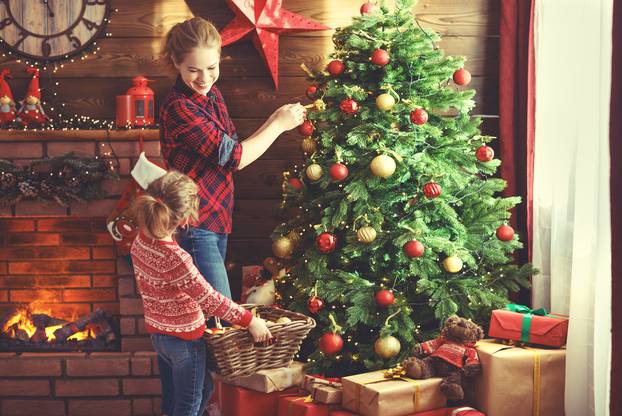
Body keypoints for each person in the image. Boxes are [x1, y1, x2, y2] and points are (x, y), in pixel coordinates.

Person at [159, 17, 305, 307]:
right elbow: (236, 158)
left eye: (212, 68)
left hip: (217, 221)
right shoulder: (179, 108)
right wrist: (277, 124)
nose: (204, 78)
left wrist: (275, 120)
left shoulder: (212, 95)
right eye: (193, 70)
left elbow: (234, 148)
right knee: (221, 315)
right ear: (175, 62)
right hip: (194, 225)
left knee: (214, 315)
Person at [130, 171, 272, 416]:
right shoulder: (177, 259)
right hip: (185, 341)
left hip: (160, 337)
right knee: (188, 406)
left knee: (203, 389)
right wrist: (251, 320)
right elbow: (210, 298)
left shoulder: (141, 240)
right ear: (184, 219)